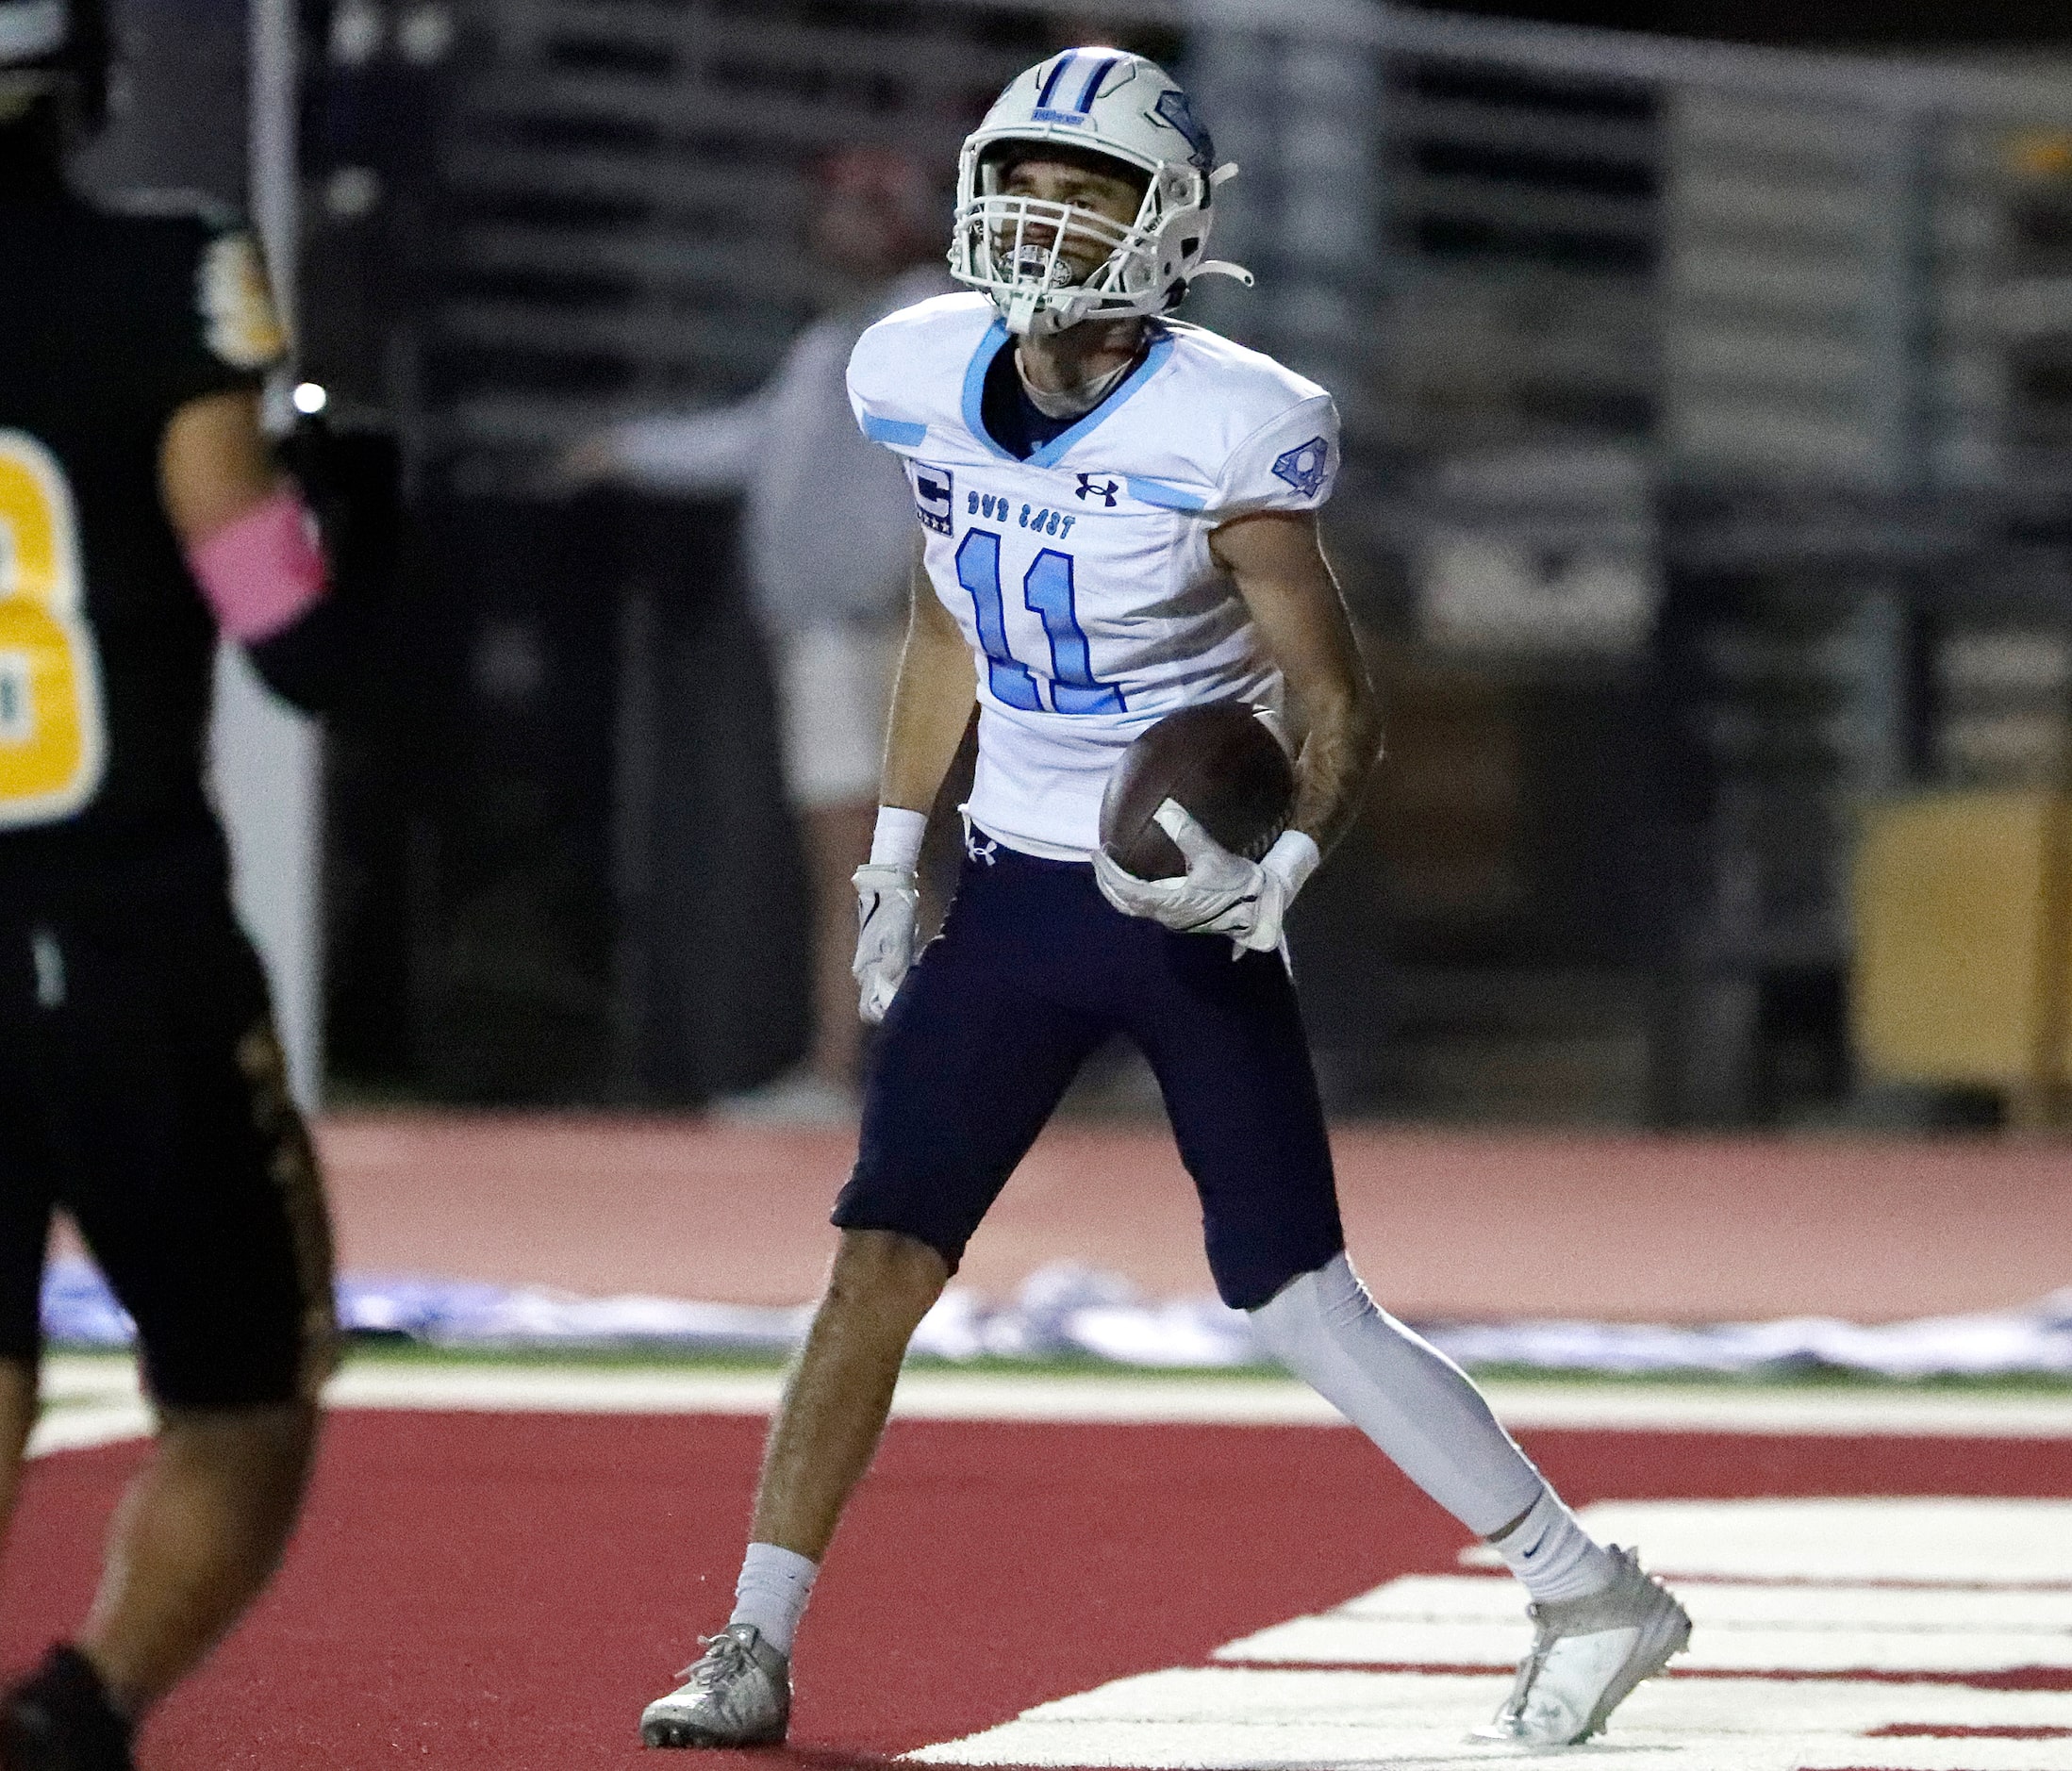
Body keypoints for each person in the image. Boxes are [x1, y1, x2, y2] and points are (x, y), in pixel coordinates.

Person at [638, 48, 1689, 1755]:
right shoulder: (910, 365)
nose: (1046, 219)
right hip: (1014, 899)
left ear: (1170, 226)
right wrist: (899, 852)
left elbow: (1333, 697)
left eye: (1090, 191)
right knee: (875, 1259)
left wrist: (1279, 869)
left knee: (1291, 1291)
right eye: (1027, 180)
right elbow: (946, 623)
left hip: (1171, 902)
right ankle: (752, 1640)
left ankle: (1584, 1581)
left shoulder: (1231, 420)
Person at [0, 3, 352, 1764]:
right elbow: (286, 630)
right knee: (243, 1387)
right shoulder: (164, 272)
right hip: (121, 928)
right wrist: (352, 535)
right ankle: (75, 1710)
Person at [560, 147, 951, 1122]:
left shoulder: (934, 322)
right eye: (835, 211)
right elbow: (753, 443)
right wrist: (630, 452)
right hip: (825, 633)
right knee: (855, 865)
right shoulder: (829, 345)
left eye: (864, 212)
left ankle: (920, 1069)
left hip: (901, 637)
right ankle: (855, 1070)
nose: (838, 231)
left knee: (895, 859)